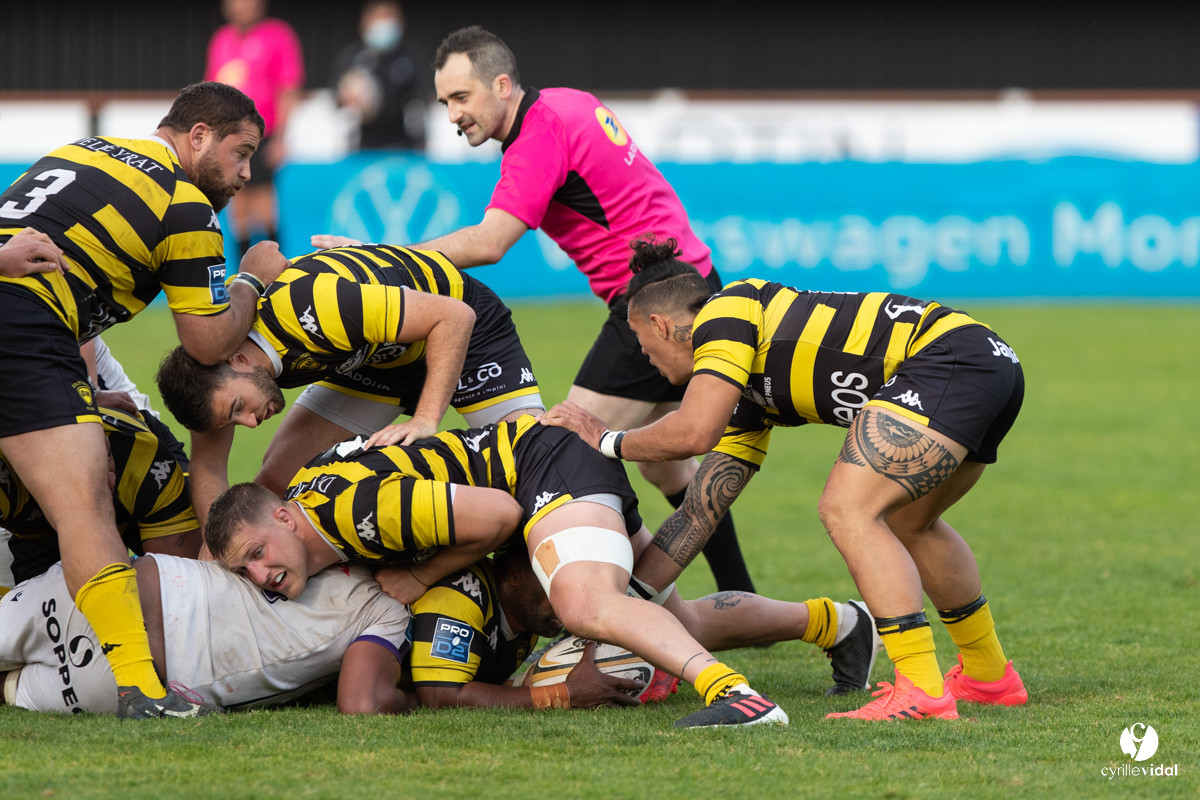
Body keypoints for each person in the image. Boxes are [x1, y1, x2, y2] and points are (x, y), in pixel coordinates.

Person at [319, 24, 756, 593]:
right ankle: (734, 596)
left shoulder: (536, 137)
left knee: (562, 453)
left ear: (502, 85)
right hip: (688, 286)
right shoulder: (569, 102)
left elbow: (489, 243)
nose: (452, 115)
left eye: (460, 97)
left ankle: (632, 622)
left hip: (652, 307)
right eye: (444, 100)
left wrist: (381, 257)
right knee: (662, 465)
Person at [542, 237, 1030, 722]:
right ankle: (988, 676)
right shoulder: (736, 383)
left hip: (949, 359)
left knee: (848, 509)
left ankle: (921, 688)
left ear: (661, 325)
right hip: (987, 362)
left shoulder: (723, 314)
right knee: (910, 522)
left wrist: (607, 439)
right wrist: (624, 607)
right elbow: (699, 511)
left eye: (644, 348)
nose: (647, 360)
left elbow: (692, 432)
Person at [204, 417, 873, 728]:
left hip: (540, 473)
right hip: (548, 464)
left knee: (585, 606)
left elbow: (496, 515)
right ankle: (839, 623)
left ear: (287, 518)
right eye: (244, 570)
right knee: (673, 620)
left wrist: (420, 575)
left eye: (258, 553)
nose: (259, 573)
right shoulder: (323, 501)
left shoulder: (355, 515)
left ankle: (740, 699)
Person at [0, 80, 285, 719]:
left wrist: (87, 396)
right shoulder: (185, 205)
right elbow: (208, 340)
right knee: (85, 506)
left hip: (20, 324)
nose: (244, 173)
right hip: (21, 326)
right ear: (198, 136)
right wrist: (251, 280)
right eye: (240, 153)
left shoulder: (81, 153)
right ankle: (142, 690)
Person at [155, 242, 544, 525]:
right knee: (278, 483)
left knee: (533, 464)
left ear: (238, 359)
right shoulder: (207, 374)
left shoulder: (309, 307)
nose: (251, 423)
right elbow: (207, 464)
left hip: (462, 327)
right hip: (376, 361)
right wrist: (222, 552)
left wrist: (425, 419)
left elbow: (453, 317)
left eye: (239, 409)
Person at [411, 541, 881, 710]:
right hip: (592, 518)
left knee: (677, 624)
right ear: (513, 573)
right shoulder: (462, 597)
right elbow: (440, 696)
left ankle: (838, 621)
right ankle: (838, 621)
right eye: (552, 583)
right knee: (684, 622)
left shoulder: (531, 602)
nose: (564, 594)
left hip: (593, 521)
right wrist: (559, 692)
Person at [0, 553, 413, 715]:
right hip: (138, 681)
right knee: (9, 689)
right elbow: (363, 705)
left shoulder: (311, 519)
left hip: (107, 587)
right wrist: (418, 696)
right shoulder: (389, 610)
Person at [3, 407, 201, 586]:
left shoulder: (142, 459)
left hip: (138, 483)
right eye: (93, 478)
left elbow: (182, 591)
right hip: (38, 523)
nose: (111, 481)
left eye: (107, 463)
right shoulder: (9, 485)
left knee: (179, 585)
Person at [206, 0, 304, 260]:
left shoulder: (278, 35)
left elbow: (289, 89)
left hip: (263, 135)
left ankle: (275, 276)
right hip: (228, 138)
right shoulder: (222, 39)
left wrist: (281, 138)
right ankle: (243, 280)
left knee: (264, 207)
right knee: (237, 208)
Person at [331, 1, 430, 152]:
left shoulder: (411, 57)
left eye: (388, 17)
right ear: (364, 23)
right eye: (377, 17)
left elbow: (424, 99)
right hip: (362, 146)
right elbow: (336, 99)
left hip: (404, 146)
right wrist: (348, 98)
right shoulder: (351, 57)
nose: (383, 24)